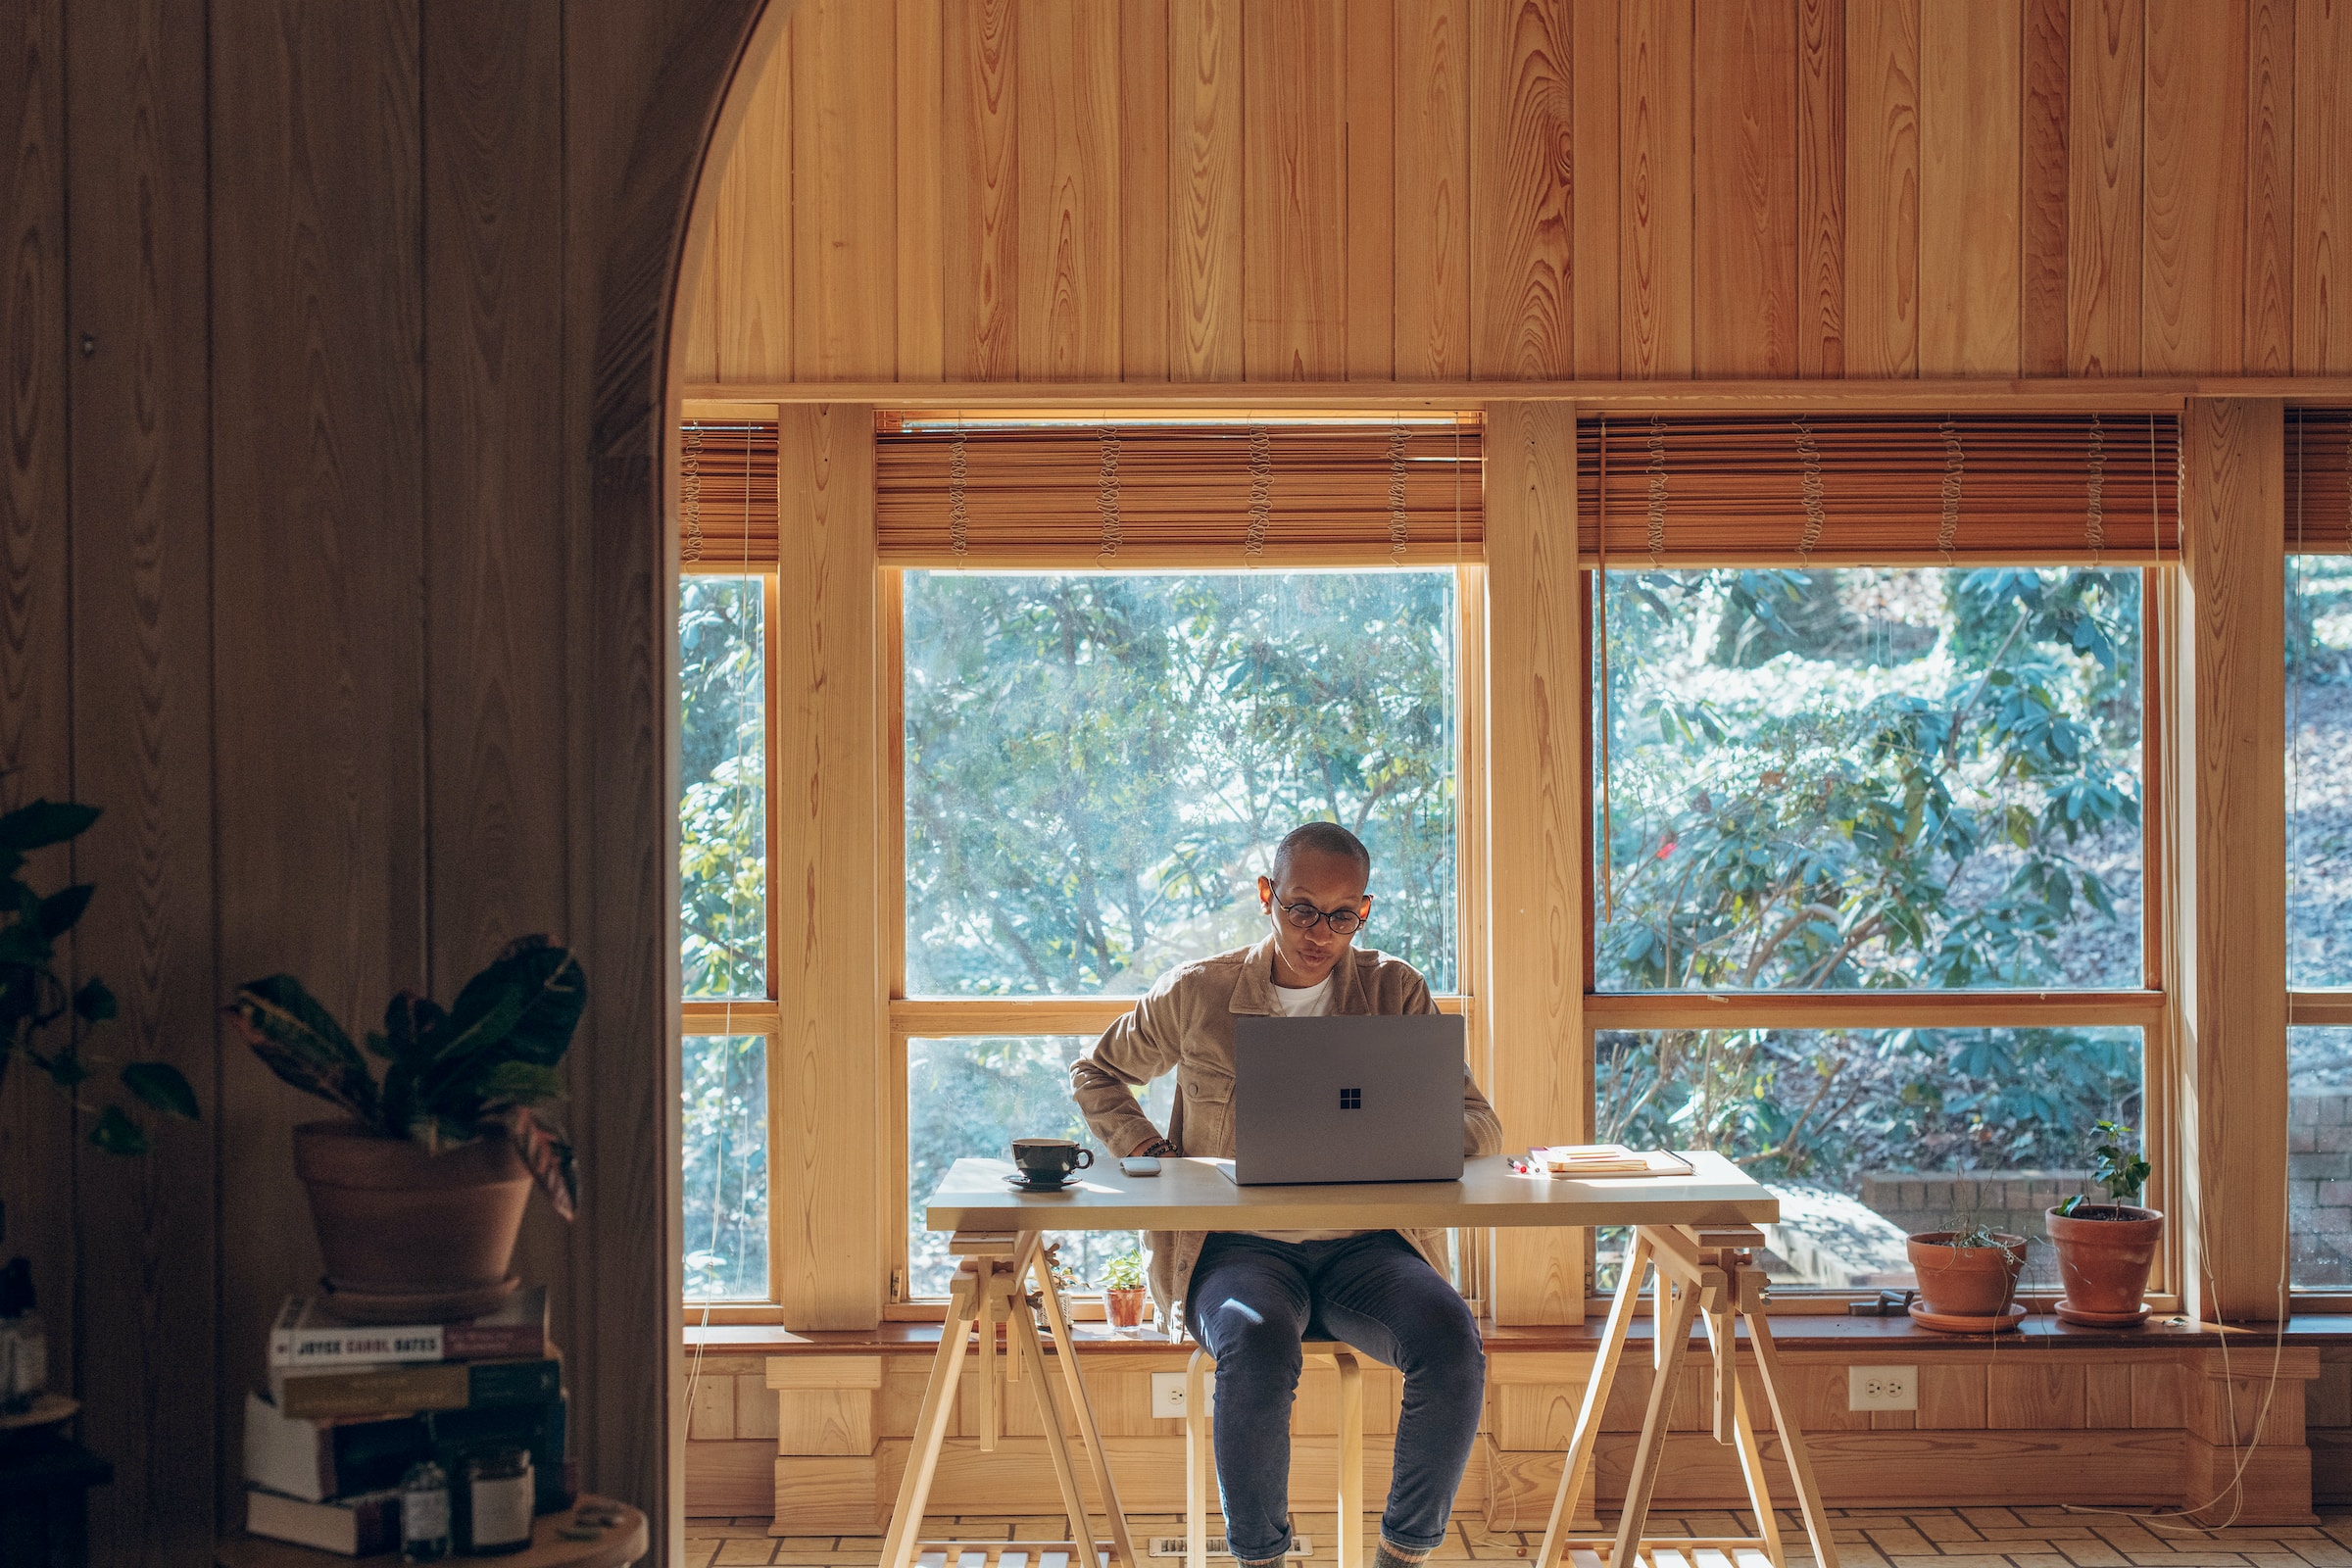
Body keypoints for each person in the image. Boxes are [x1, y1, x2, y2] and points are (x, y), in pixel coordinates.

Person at [1071, 821, 1503, 1568]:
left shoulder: (1393, 990)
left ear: (1364, 910)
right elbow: (1096, 1073)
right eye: (1302, 908)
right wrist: (1151, 1151)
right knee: (1257, 1340)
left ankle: (1403, 1554)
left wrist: (1402, 1139)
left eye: (1343, 916)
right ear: (1268, 896)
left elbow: (1480, 1125)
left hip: (1368, 1247)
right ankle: (1261, 1558)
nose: (1320, 932)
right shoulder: (1198, 992)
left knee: (1451, 1340)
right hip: (1235, 1250)